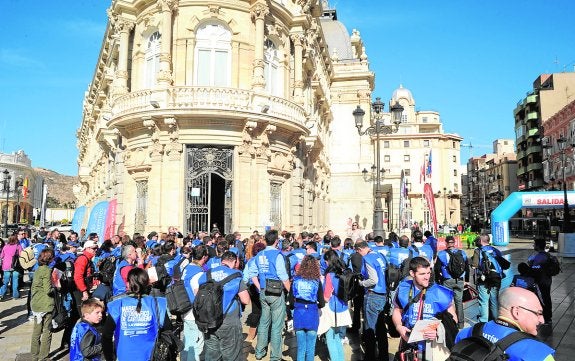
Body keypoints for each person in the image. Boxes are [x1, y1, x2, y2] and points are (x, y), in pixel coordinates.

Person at [454, 287, 555, 361]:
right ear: (516, 312)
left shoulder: (465, 334)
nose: (542, 320)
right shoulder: (538, 353)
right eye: (538, 313)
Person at [392, 256, 457, 360]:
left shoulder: (441, 293)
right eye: (422, 274)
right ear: (412, 273)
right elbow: (397, 311)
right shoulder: (403, 289)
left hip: (433, 348)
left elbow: (453, 321)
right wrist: (399, 327)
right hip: (408, 344)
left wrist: (438, 332)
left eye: (428, 273)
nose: (427, 277)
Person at [103, 267, 173, 361]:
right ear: (147, 283)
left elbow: (106, 335)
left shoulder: (117, 304)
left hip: (124, 355)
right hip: (150, 355)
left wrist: (109, 358)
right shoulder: (157, 303)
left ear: (128, 283)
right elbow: (168, 329)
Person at [200, 251, 250, 361]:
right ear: (235, 261)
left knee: (212, 354)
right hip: (228, 319)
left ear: (221, 261)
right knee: (231, 355)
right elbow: (246, 300)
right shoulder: (235, 276)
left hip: (208, 319)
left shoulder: (207, 274)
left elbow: (197, 294)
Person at [252, 229, 291, 361]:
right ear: (276, 241)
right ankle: (275, 356)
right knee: (277, 325)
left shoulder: (259, 255)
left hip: (263, 291)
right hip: (276, 292)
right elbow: (283, 276)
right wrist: (291, 292)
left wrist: (259, 288)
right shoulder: (278, 255)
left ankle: (259, 351)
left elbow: (253, 274)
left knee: (264, 321)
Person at [355, 240, 389, 361]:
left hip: (373, 294)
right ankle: (384, 354)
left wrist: (361, 283)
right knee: (380, 327)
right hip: (383, 293)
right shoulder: (379, 255)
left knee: (369, 328)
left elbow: (373, 279)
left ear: (360, 249)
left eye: (358, 252)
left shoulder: (368, 258)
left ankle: (370, 355)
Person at [288, 255, 325, 361]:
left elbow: (290, 301)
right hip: (312, 313)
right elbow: (322, 303)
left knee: (301, 348)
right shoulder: (316, 281)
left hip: (299, 313)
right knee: (310, 348)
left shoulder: (295, 280)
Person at [322, 250, 353, 361]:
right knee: (338, 337)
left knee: (330, 338)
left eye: (325, 261)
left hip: (332, 308)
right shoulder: (344, 270)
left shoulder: (330, 275)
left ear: (329, 261)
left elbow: (326, 296)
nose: (325, 263)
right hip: (343, 307)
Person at [180, 245, 209, 361]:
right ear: (204, 257)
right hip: (193, 313)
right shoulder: (199, 273)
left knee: (187, 341)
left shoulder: (187, 268)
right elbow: (198, 295)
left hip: (184, 309)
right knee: (196, 345)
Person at [434, 235, 469, 328]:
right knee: (459, 302)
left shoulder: (441, 254)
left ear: (446, 243)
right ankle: (461, 323)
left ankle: (449, 322)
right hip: (460, 280)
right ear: (454, 243)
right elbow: (467, 267)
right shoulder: (462, 253)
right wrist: (467, 280)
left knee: (447, 302)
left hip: (447, 280)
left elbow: (437, 269)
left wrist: (438, 280)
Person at [471, 233, 505, 322]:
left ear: (481, 241)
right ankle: (496, 321)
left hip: (483, 279)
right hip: (496, 278)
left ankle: (483, 322)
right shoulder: (496, 250)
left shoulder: (478, 251)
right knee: (494, 301)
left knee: (484, 302)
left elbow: (474, 266)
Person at [30, 248, 56, 361]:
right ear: (50, 258)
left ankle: (34, 356)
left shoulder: (38, 269)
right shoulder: (46, 270)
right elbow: (47, 290)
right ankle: (43, 357)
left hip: (36, 304)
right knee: (47, 331)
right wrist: (56, 286)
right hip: (45, 304)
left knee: (36, 332)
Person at [527, 238, 553, 327]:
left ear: (538, 246)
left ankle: (546, 318)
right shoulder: (547, 255)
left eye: (534, 244)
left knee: (542, 299)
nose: (533, 245)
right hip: (547, 280)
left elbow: (534, 269)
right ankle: (548, 317)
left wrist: (530, 264)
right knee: (547, 298)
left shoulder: (539, 257)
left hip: (540, 281)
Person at [73, 240, 98, 314]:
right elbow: (77, 277)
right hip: (79, 289)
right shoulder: (82, 259)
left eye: (96, 248)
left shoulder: (88, 259)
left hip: (83, 287)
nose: (96, 250)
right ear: (87, 248)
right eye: (94, 248)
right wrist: (84, 291)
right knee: (84, 312)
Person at [0, 234, 23, 300]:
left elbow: (1, 256)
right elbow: (21, 255)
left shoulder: (5, 247)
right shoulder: (18, 246)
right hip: (15, 266)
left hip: (6, 266)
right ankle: (15, 295)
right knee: (15, 281)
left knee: (5, 281)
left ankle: (1, 294)